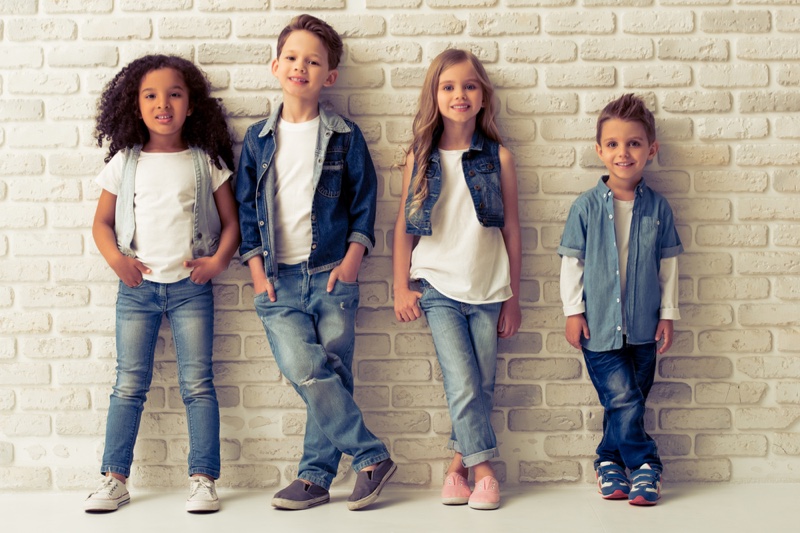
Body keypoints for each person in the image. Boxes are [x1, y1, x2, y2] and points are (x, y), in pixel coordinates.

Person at [235, 14, 395, 511]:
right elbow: (245, 209)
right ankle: (370, 455)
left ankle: (314, 479)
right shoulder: (258, 139)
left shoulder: (345, 136)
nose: (300, 66)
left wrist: (350, 263)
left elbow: (366, 202)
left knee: (332, 372)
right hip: (277, 282)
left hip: (331, 276)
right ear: (274, 65)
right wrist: (258, 273)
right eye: (291, 57)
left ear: (330, 76)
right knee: (305, 369)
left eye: (313, 60)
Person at [85, 54, 239, 513]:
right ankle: (115, 478)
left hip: (192, 288)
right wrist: (117, 261)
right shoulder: (124, 162)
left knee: (198, 383)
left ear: (191, 105)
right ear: (135, 105)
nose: (163, 104)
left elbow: (232, 224)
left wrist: (217, 262)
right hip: (137, 291)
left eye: (174, 94)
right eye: (150, 95)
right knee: (128, 384)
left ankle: (203, 479)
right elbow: (101, 222)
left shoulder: (205, 162)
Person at [392, 49, 522, 511]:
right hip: (436, 285)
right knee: (462, 382)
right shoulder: (419, 157)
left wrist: (513, 297)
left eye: (469, 85)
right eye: (448, 86)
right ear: (434, 95)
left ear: (483, 95)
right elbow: (405, 227)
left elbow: (511, 229)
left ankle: (456, 468)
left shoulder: (499, 157)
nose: (459, 94)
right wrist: (400, 285)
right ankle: (486, 471)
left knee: (481, 384)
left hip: (488, 287)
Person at [558, 93, 683, 506]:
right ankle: (646, 465)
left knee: (628, 402)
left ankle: (609, 460)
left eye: (633, 143)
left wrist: (667, 316)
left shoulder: (659, 209)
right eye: (612, 144)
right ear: (599, 151)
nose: (623, 153)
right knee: (624, 398)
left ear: (651, 149)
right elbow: (571, 265)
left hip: (645, 327)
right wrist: (572, 311)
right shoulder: (586, 207)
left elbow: (668, 267)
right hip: (598, 327)